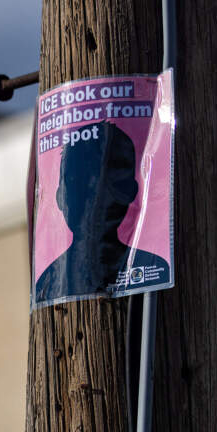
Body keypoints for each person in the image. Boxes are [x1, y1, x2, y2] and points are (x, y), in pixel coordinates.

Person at [35, 121, 169, 305]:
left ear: (132, 190)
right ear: (59, 196)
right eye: (79, 181)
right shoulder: (47, 285)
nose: (95, 197)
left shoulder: (155, 269)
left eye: (110, 180)